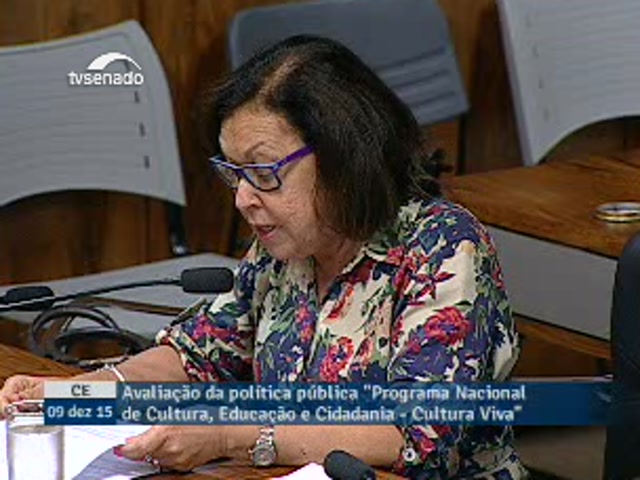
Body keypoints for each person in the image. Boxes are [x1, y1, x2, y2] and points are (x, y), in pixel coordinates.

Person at [0, 35, 524, 478]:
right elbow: (199, 353)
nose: (243, 199)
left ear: (344, 158)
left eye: (264, 173)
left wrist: (233, 435)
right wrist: (77, 394)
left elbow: (416, 435)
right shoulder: (285, 246)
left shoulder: (444, 247)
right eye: (234, 173)